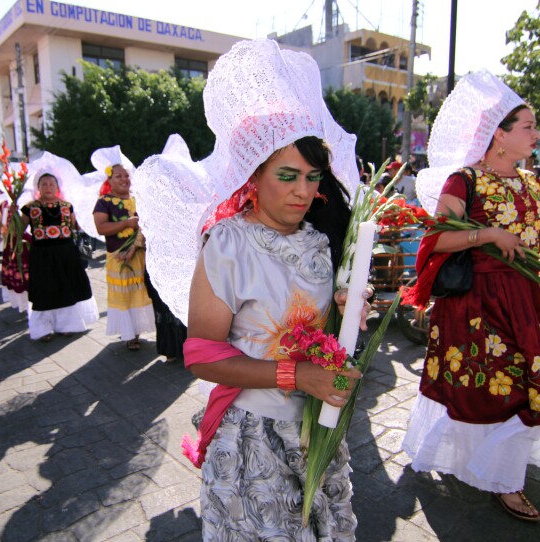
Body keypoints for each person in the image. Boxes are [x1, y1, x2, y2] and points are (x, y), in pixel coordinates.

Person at [134, 39, 367, 540]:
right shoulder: (227, 244)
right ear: (254, 173)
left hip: (316, 429)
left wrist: (346, 315)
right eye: (288, 176)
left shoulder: (319, 240)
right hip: (253, 437)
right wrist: (295, 375)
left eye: (312, 177)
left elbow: (314, 328)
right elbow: (201, 356)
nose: (304, 191)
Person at [401, 70, 540, 522]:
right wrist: (486, 234)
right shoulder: (463, 182)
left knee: (521, 384)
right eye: (528, 125)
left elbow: (533, 242)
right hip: (474, 303)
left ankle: (501, 472)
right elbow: (436, 241)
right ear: (498, 136)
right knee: (481, 386)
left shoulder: (529, 183)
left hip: (520, 300)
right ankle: (497, 477)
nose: (536, 134)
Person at [13, 171, 98, 341]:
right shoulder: (30, 208)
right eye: (44, 184)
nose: (48, 187)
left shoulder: (67, 206)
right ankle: (43, 329)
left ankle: (67, 326)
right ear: (38, 188)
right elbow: (18, 230)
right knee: (44, 291)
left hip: (66, 253)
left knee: (66, 288)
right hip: (41, 255)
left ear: (58, 187)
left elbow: (76, 227)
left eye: (51, 184)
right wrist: (13, 215)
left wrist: (86, 213)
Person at [92, 148, 155, 351]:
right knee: (123, 295)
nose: (124, 179)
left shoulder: (139, 198)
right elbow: (101, 228)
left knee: (141, 292)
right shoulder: (104, 202)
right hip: (118, 257)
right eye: (118, 176)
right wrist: (128, 223)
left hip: (140, 255)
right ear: (109, 180)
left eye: (126, 175)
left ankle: (137, 331)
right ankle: (129, 334)